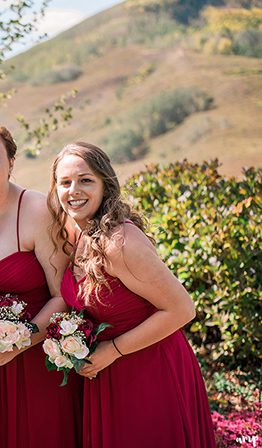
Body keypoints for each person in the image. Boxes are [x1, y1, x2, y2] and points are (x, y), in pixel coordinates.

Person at [50, 142, 214, 448]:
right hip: (109, 372)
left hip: (150, 370)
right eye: (65, 182)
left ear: (105, 184)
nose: (74, 190)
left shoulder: (120, 240)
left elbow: (181, 309)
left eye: (86, 180)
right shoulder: (80, 235)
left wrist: (112, 350)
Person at [0, 120, 76, 447]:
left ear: (11, 162)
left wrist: (20, 342)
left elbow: (63, 294)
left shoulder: (36, 209)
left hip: (32, 361)